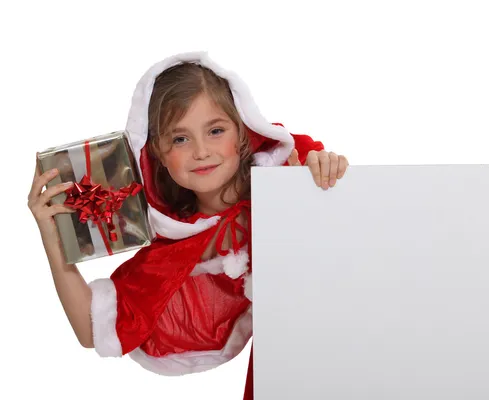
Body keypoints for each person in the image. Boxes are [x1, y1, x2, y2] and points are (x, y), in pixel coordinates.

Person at [28, 51, 348, 399]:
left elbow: (352, 224)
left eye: (215, 130)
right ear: (159, 155)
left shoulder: (290, 170)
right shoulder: (176, 247)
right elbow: (92, 330)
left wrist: (327, 171)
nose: (201, 151)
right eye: (180, 139)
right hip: (283, 372)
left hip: (349, 345)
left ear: (241, 135)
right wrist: (54, 238)